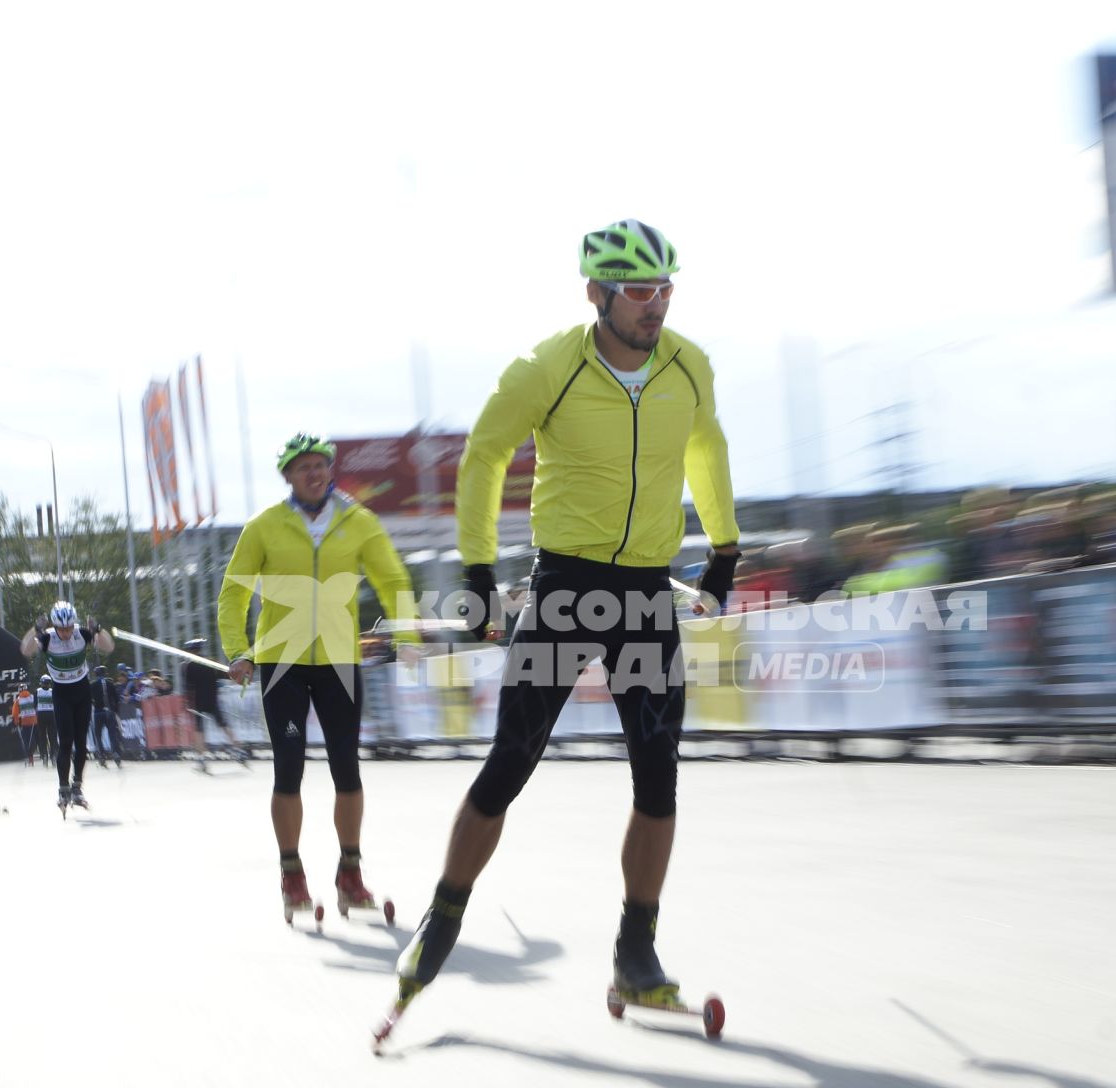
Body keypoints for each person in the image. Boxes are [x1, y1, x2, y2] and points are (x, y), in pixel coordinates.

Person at [382, 219, 741, 1039]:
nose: (657, 306)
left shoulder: (690, 366)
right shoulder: (548, 367)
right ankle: (442, 920)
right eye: (640, 292)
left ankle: (635, 952)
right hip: (565, 589)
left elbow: (706, 448)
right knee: (510, 762)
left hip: (647, 594)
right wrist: (476, 575)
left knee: (659, 778)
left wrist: (725, 546)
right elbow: (484, 454)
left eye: (666, 289)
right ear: (598, 295)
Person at [216, 432, 419, 919]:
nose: (313, 473)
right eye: (302, 466)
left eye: (320, 465)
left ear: (330, 471)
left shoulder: (359, 521)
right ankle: (292, 876)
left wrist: (407, 637)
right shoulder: (264, 527)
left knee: (347, 768)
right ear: (286, 475)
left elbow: (392, 580)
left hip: (338, 664)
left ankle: (350, 876)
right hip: (281, 666)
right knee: (289, 767)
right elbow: (233, 594)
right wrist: (239, 651)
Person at [19, 601, 115, 812]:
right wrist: (35, 629)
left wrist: (97, 628)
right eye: (61, 628)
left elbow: (109, 646)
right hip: (61, 693)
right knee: (66, 742)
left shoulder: (81, 634)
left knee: (81, 743)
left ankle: (77, 787)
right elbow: (25, 650)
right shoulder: (47, 638)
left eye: (69, 627)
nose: (65, 632)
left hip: (82, 691)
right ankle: (63, 789)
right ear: (55, 626)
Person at [182, 638, 246, 773]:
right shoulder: (210, 662)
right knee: (223, 724)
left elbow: (188, 686)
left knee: (199, 730)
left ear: (190, 650)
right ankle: (239, 749)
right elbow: (225, 675)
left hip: (198, 701)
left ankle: (202, 758)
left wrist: (187, 703)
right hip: (212, 699)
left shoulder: (188, 665)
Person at [88, 664, 125, 769]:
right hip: (109, 711)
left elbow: (88, 698)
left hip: (98, 712)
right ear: (105, 673)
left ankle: (101, 756)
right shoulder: (110, 684)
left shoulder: (93, 685)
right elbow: (116, 699)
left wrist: (94, 703)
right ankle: (116, 754)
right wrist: (116, 710)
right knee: (112, 734)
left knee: (98, 735)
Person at [33, 677, 57, 768]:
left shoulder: (37, 691)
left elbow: (34, 704)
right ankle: (53, 755)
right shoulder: (52, 691)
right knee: (52, 736)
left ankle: (44, 756)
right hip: (51, 714)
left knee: (42, 737)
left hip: (41, 715)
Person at [12, 683, 38, 767]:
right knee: (32, 739)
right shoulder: (32, 697)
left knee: (26, 740)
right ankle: (32, 755)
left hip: (24, 722)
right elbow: (37, 707)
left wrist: (16, 721)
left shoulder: (18, 699)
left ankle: (29, 756)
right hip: (34, 721)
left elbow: (14, 712)